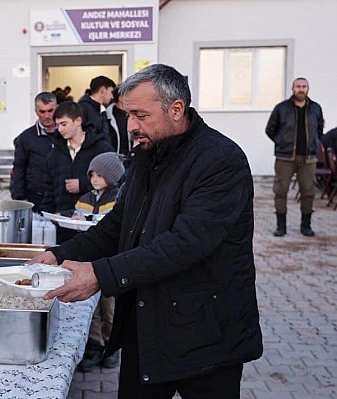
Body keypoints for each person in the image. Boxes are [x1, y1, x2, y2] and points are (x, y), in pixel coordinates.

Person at [30, 64, 262, 399]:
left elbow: (186, 243)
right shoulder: (146, 154)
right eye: (127, 115)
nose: (131, 126)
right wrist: (60, 255)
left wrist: (99, 274)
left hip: (208, 334)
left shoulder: (221, 160)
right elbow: (119, 224)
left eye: (140, 115)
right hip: (147, 323)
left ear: (176, 109)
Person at [72, 152, 125, 372]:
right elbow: (77, 218)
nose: (94, 179)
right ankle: (94, 345)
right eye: (92, 174)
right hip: (89, 261)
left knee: (109, 307)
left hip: (110, 261)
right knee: (90, 309)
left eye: (100, 175)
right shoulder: (85, 199)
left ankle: (111, 346)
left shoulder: (118, 198)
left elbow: (112, 226)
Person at [39, 101, 113, 244]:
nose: (59, 129)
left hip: (93, 226)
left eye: (64, 124)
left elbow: (115, 181)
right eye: (58, 125)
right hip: (63, 226)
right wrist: (49, 215)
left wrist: (83, 184)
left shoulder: (101, 148)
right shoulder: (54, 154)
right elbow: (49, 188)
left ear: (78, 120)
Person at [266, 77, 324, 237]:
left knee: (308, 191)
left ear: (308, 89)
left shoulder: (315, 108)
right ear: (293, 89)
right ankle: (281, 226)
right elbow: (270, 129)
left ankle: (306, 225)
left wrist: (314, 143)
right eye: (298, 86)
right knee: (281, 190)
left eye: (304, 86)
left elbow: (320, 129)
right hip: (285, 158)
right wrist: (281, 142)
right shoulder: (282, 108)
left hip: (308, 159)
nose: (301, 89)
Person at [11, 92, 58, 211]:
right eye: (42, 112)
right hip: (36, 197)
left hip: (62, 196)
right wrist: (20, 197)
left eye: (50, 111)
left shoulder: (66, 134)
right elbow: (19, 167)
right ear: (36, 111)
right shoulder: (26, 138)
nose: (47, 116)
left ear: (57, 109)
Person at [78, 76, 116, 144]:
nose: (112, 97)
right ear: (103, 90)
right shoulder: (83, 108)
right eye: (111, 92)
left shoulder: (102, 110)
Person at [106, 88, 131, 158]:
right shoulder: (107, 116)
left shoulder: (132, 115)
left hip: (130, 159)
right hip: (112, 159)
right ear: (121, 98)